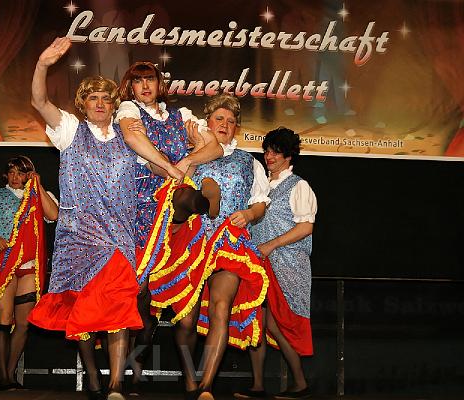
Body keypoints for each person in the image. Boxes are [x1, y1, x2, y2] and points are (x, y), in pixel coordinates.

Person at [25, 37, 143, 400]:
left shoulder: (130, 137)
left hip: (120, 236)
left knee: (120, 304)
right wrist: (43, 64)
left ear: (114, 105)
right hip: (80, 236)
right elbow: (39, 102)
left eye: (106, 98)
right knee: (82, 308)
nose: (100, 103)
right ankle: (92, 373)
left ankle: (116, 384)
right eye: (93, 98)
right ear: (83, 104)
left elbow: (156, 166)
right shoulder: (69, 130)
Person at [149, 94, 270, 400]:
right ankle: (190, 380)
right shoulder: (192, 155)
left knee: (221, 308)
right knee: (186, 321)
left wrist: (249, 214)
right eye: (219, 119)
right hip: (194, 242)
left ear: (237, 127)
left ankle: (206, 388)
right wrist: (191, 155)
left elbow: (260, 203)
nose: (225, 125)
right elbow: (174, 188)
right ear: (208, 122)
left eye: (231, 121)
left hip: (229, 242)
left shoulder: (249, 162)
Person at [115, 61, 224, 389]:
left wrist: (188, 159)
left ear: (159, 83)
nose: (145, 86)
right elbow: (135, 141)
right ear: (131, 87)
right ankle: (133, 372)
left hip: (178, 203)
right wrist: (173, 167)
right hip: (144, 203)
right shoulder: (128, 111)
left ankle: (202, 202)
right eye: (138, 81)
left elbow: (216, 147)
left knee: (182, 306)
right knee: (143, 303)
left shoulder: (181, 115)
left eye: (150, 79)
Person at [235, 127, 317, 400]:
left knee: (279, 323)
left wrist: (271, 245)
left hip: (287, 265)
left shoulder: (299, 186)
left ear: (288, 156)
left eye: (276, 152)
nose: (269, 156)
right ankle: (258, 385)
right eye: (267, 151)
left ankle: (300, 384)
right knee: (255, 320)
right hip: (257, 263)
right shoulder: (259, 186)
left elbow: (306, 227)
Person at [0, 155, 58, 390]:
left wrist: (39, 186)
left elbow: (53, 215)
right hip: (2, 262)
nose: (16, 177)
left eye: (21, 172)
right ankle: (3, 375)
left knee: (24, 322)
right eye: (12, 172)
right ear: (5, 175)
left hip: (29, 264)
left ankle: (11, 371)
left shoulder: (37, 196)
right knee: (5, 318)